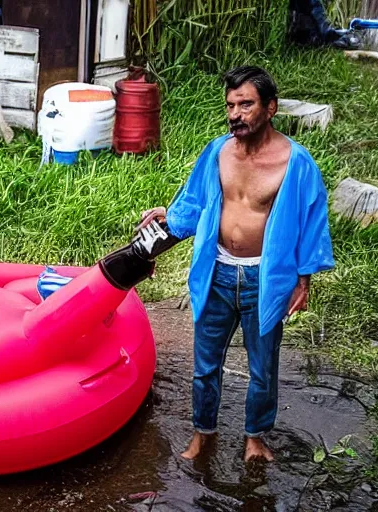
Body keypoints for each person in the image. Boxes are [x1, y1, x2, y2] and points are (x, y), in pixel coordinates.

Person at [139, 66, 335, 462]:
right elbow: (196, 203)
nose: (235, 114)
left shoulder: (296, 164)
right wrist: (169, 217)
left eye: (245, 104)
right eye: (230, 105)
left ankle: (255, 438)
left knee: (263, 368)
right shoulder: (217, 151)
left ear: (270, 108)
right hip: (218, 272)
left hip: (266, 277)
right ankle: (202, 434)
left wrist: (303, 280)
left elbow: (313, 221)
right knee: (205, 364)